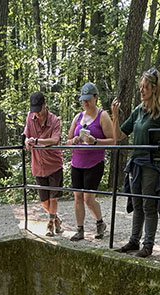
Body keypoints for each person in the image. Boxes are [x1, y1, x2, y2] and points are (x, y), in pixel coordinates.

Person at [111, 69, 160, 258]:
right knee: (136, 203)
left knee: (148, 205)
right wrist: (114, 115)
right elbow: (119, 136)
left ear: (154, 88)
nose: (142, 90)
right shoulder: (138, 110)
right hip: (136, 162)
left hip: (152, 163)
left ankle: (148, 245)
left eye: (145, 87)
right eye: (140, 87)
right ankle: (133, 240)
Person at [67, 82, 114, 241]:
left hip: (94, 162)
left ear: (95, 98)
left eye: (88, 99)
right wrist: (73, 140)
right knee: (77, 197)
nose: (85, 102)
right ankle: (80, 229)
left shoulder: (103, 116)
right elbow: (67, 140)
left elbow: (113, 140)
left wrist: (95, 141)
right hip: (76, 162)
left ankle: (100, 222)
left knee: (88, 198)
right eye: (83, 100)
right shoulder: (78, 117)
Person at [24, 91, 63, 236]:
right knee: (44, 202)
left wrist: (38, 141)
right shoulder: (30, 117)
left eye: (39, 110)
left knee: (53, 198)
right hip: (38, 166)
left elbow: (55, 140)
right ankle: (56, 219)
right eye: (34, 111)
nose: (37, 114)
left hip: (53, 165)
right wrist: (27, 142)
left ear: (44, 105)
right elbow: (26, 135)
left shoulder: (54, 120)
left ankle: (50, 226)